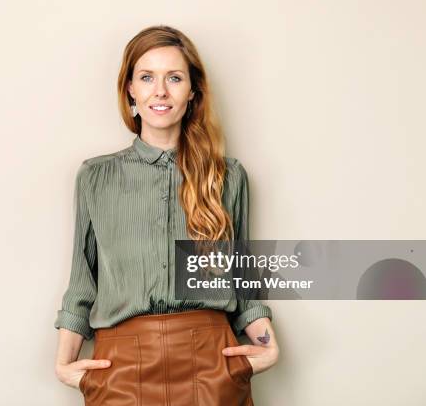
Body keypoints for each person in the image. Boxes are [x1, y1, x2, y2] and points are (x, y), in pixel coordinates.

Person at [54, 25, 280, 405]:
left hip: (211, 364)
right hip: (119, 366)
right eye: (147, 77)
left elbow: (244, 280)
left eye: (174, 78)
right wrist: (64, 362)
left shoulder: (227, 176)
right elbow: (83, 280)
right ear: (130, 89)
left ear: (192, 92)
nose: (160, 91)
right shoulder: (96, 177)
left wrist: (269, 346)